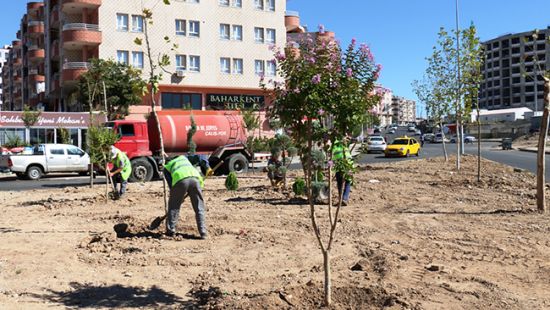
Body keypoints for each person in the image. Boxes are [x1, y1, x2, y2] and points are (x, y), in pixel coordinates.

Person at [163, 155, 207, 239]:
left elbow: (171, 185)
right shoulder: (184, 158)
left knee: (174, 206)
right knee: (199, 207)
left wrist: (178, 196)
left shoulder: (167, 167)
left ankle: (171, 230)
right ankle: (203, 232)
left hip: (180, 180)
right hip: (195, 179)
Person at [331, 139, 353, 206]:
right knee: (348, 182)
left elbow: (332, 160)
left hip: (340, 168)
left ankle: (341, 199)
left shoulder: (334, 147)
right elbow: (349, 157)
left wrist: (329, 167)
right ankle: (344, 199)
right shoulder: (345, 146)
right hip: (348, 166)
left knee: (340, 183)